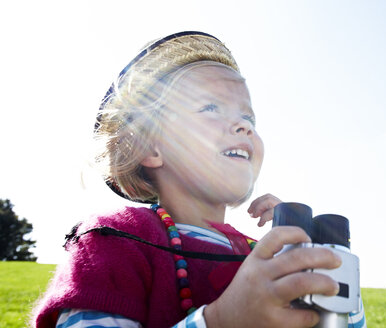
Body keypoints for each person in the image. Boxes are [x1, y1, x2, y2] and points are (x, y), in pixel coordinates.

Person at [32, 31, 365, 328]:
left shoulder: (258, 253)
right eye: (210, 108)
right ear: (150, 147)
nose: (244, 126)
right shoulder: (113, 240)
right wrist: (220, 320)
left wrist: (321, 268)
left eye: (248, 116)